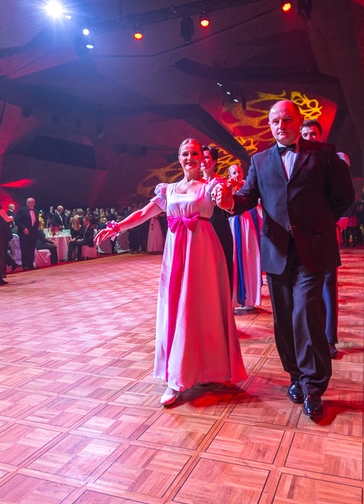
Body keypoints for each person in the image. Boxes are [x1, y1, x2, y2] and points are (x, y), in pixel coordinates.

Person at [216, 100, 355, 418]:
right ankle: (295, 376)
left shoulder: (323, 154)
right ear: (270, 125)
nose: (281, 125)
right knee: (284, 318)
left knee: (305, 312)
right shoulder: (259, 160)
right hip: (276, 249)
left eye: (287, 119)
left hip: (313, 248)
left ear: (299, 121)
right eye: (275, 121)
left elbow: (344, 196)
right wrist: (228, 202)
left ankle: (313, 386)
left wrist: (321, 224)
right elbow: (248, 197)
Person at [96, 138, 247, 406]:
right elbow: (144, 213)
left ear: (202, 157)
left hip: (204, 252)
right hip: (176, 252)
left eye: (194, 153)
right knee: (178, 310)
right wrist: (116, 227)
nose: (190, 158)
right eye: (185, 153)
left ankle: (212, 370)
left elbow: (225, 204)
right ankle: (176, 378)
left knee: (205, 308)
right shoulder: (168, 190)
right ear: (179, 158)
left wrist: (224, 195)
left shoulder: (211, 186)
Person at [301, 118, 345, 359]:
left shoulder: (332, 159)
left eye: (313, 134)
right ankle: (307, 337)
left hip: (324, 233)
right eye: (305, 134)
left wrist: (327, 220)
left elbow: (344, 196)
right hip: (299, 236)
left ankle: (328, 339)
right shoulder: (292, 161)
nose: (310, 138)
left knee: (328, 286)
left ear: (321, 136)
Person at [227, 164, 261, 310]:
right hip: (232, 222)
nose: (237, 175)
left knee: (248, 255)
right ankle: (233, 298)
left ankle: (249, 297)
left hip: (246, 222)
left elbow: (257, 205)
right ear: (229, 175)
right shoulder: (227, 186)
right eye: (234, 172)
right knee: (233, 256)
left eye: (239, 172)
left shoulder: (247, 186)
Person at [202, 144, 234, 291]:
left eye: (206, 157)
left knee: (222, 265)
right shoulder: (195, 183)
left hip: (219, 225)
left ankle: (224, 299)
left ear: (214, 161)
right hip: (201, 227)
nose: (203, 161)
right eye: (201, 157)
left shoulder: (221, 182)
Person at [15, 197, 40, 270]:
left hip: (33, 233)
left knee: (31, 249)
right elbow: (17, 220)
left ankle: (30, 264)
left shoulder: (36, 211)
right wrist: (23, 228)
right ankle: (25, 265)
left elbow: (35, 221)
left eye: (32, 202)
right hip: (24, 233)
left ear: (34, 203)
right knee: (25, 249)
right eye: (29, 202)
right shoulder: (22, 210)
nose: (30, 204)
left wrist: (38, 224)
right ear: (26, 203)